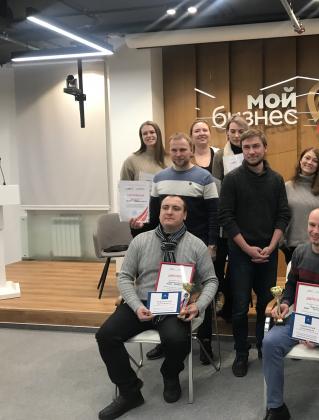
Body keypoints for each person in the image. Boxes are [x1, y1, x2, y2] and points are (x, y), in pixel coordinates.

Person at [96, 195, 218, 420]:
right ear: (159, 212)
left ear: (185, 215)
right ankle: (130, 392)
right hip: (142, 302)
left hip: (176, 306)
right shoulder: (140, 241)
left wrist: (198, 306)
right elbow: (125, 277)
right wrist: (135, 306)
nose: (169, 211)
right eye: (165, 207)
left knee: (178, 341)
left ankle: (170, 374)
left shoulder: (196, 245)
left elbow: (211, 280)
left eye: (176, 208)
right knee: (105, 336)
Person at [130, 132, 219, 364]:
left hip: (196, 248)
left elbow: (214, 213)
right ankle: (165, 340)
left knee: (201, 292)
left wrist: (211, 244)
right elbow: (153, 215)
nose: (178, 154)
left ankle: (205, 341)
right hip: (165, 247)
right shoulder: (159, 178)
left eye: (183, 150)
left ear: (191, 151)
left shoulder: (205, 177)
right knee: (164, 290)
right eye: (174, 150)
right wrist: (139, 227)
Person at [262, 207, 319, 420]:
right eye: (312, 225)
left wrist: (316, 332)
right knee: (269, 343)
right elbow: (291, 284)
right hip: (299, 318)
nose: (315, 230)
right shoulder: (300, 253)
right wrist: (286, 303)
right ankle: (276, 408)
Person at [219, 128, 291, 377]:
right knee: (240, 306)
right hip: (241, 253)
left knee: (265, 304)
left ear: (265, 148)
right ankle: (241, 352)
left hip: (268, 252)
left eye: (255, 146)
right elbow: (226, 217)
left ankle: (263, 345)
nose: (251, 151)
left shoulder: (276, 180)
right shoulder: (232, 179)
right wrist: (247, 248)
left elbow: (283, 215)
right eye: (246, 147)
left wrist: (272, 245)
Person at [211, 115, 248, 322]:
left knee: (236, 267)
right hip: (223, 219)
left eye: (240, 131)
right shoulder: (219, 156)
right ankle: (218, 300)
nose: (236, 135)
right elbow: (216, 188)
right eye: (232, 131)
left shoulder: (252, 151)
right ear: (227, 133)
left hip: (245, 220)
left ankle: (231, 308)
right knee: (218, 266)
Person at [282, 147, 319, 264]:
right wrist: (282, 242)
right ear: (300, 160)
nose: (309, 162)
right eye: (307, 158)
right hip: (292, 248)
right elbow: (281, 216)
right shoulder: (287, 186)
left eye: (315, 160)